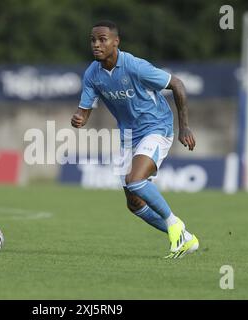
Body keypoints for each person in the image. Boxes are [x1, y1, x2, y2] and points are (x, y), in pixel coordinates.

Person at [71, 20, 199, 258]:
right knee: (134, 204)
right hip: (128, 136)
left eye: (102, 39)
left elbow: (177, 85)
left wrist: (185, 127)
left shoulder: (135, 66)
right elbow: (84, 109)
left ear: (115, 42)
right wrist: (79, 118)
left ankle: (175, 224)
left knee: (135, 180)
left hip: (156, 127)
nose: (96, 45)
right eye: (93, 40)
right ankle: (187, 239)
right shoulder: (92, 73)